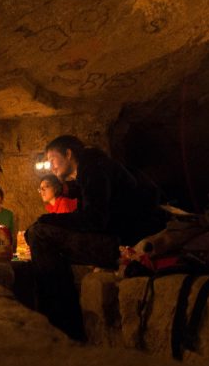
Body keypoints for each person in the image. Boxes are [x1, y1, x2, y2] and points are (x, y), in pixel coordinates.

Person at [26, 135, 164, 341]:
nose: (51, 167)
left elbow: (94, 219)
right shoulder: (92, 170)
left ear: (69, 154)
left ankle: (62, 323)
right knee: (39, 231)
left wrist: (51, 219)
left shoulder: (94, 169)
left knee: (38, 232)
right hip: (117, 238)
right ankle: (61, 320)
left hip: (120, 244)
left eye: (53, 159)